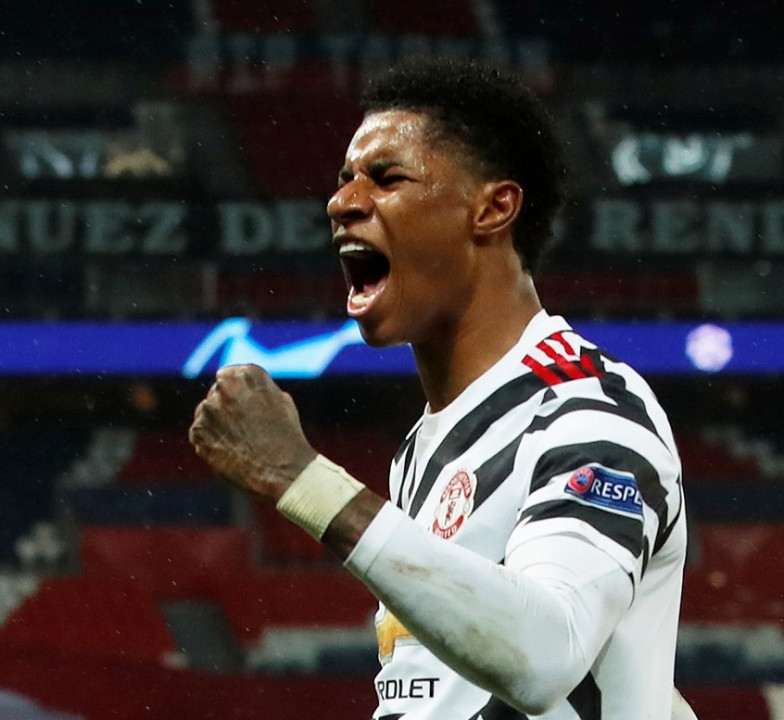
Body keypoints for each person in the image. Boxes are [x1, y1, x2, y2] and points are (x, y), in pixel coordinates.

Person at [189, 58, 694, 720]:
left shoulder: (586, 409)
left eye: (386, 177)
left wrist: (302, 479)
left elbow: (547, 655)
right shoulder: (423, 448)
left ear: (492, 208)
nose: (342, 202)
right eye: (344, 181)